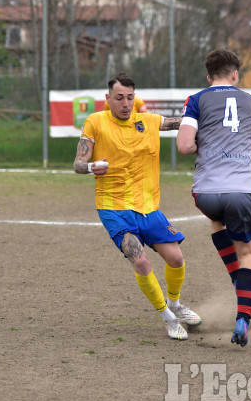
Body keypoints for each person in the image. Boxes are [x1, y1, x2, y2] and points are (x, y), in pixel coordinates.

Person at [74, 73, 201, 341]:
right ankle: (168, 317)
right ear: (108, 99)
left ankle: (176, 304)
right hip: (113, 207)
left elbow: (180, 123)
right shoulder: (95, 121)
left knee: (176, 258)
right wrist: (89, 167)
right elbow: (78, 164)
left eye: (130, 98)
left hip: (147, 206)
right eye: (119, 98)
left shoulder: (148, 121)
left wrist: (208, 116)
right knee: (140, 260)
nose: (125, 103)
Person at [176, 48, 251, 347]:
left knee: (217, 221)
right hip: (240, 191)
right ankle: (243, 317)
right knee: (248, 253)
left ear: (208, 75)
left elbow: (185, 146)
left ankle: (239, 283)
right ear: (235, 74)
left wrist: (205, 140)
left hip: (206, 193)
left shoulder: (197, 100)